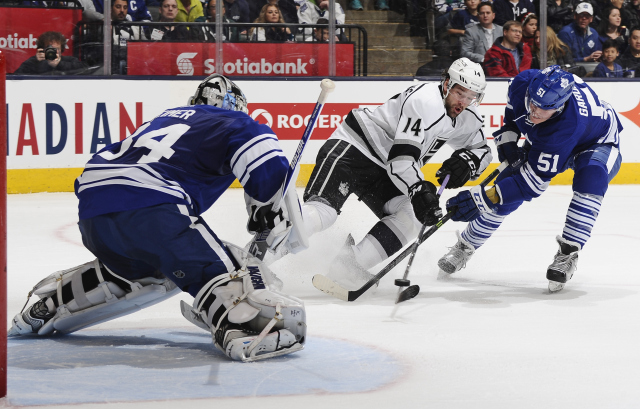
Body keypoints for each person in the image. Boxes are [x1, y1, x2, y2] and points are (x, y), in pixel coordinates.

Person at [7, 74, 308, 362]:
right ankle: (244, 325)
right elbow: (262, 152)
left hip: (93, 215)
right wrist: (270, 211)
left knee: (147, 270)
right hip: (151, 209)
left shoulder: (161, 119)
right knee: (226, 269)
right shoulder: (234, 120)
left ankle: (53, 303)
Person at [280, 58, 492, 288]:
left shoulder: (467, 116)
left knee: (412, 216)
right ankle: (255, 259)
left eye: (472, 97)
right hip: (355, 148)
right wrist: (418, 189)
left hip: (386, 170)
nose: (464, 102)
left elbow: (483, 151)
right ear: (447, 83)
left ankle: (348, 265)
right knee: (323, 213)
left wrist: (467, 163)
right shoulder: (425, 100)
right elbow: (400, 162)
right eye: (460, 93)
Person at [438, 66, 623, 292]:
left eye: (544, 109)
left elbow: (531, 185)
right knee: (504, 191)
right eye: (533, 102)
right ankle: (465, 246)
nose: (534, 112)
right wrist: (507, 138)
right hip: (552, 139)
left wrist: (480, 199)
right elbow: (512, 113)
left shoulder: (565, 126)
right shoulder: (521, 83)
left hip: (597, 142)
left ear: (560, 106)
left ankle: (567, 254)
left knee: (591, 178)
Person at [13, 31, 88, 75]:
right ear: (42, 49)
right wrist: (35, 62)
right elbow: (17, 75)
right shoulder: (34, 61)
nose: (53, 52)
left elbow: (85, 70)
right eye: (50, 48)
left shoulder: (68, 60)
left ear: (61, 49)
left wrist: (59, 64)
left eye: (56, 49)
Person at [111, 0, 146, 74]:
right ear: (111, 8)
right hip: (113, 66)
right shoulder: (105, 27)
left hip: (135, 64)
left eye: (125, 7)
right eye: (118, 7)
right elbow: (87, 13)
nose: (122, 10)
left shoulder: (136, 28)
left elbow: (146, 47)